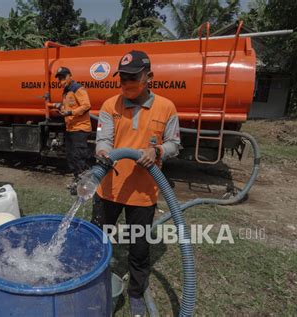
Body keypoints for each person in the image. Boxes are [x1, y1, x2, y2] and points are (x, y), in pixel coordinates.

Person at [92, 50, 180, 317]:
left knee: (139, 248)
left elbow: (175, 144)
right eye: (123, 79)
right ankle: (93, 282)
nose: (127, 84)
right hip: (108, 189)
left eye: (133, 78)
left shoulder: (166, 107)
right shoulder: (110, 106)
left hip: (143, 194)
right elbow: (104, 139)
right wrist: (104, 151)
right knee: (97, 241)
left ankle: (136, 293)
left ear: (149, 76)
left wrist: (159, 151)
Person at [52, 67, 92, 194]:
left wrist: (70, 112)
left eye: (63, 78)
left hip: (80, 128)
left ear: (70, 76)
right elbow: (69, 106)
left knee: (79, 156)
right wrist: (61, 107)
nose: (61, 81)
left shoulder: (77, 88)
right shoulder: (66, 91)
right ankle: (77, 181)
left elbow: (86, 106)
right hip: (70, 128)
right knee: (71, 156)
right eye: (59, 78)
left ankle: (83, 185)